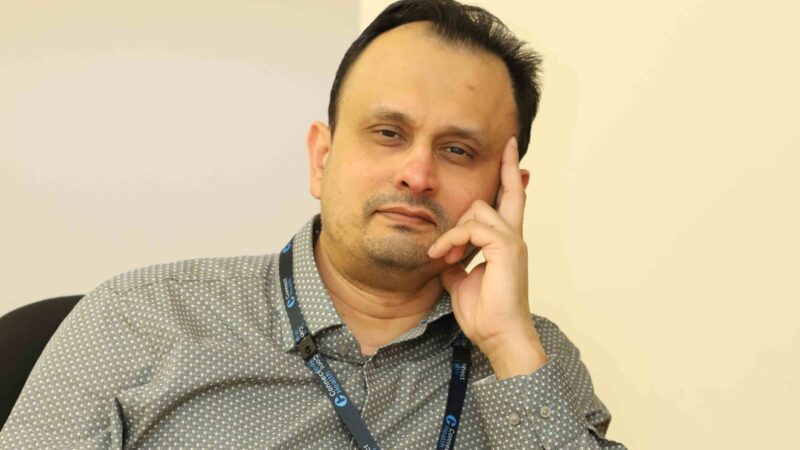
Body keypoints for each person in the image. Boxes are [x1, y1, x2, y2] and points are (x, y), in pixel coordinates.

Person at [0, 0, 627, 448]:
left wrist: (510, 347)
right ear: (322, 159)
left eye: (458, 150)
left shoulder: (535, 361)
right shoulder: (138, 319)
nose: (417, 174)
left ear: (506, 191)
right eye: (388, 133)